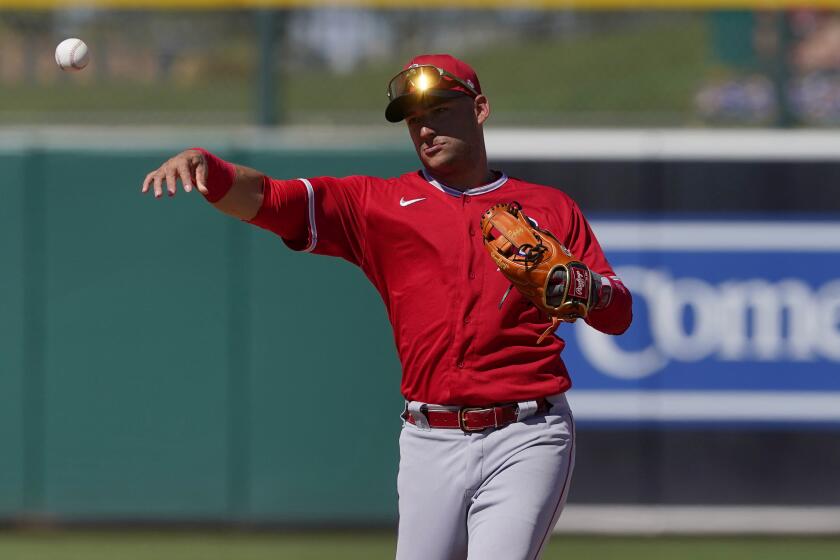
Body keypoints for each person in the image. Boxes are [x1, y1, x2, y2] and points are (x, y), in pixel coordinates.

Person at [141, 53, 632, 560]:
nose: (424, 129)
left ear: (480, 108)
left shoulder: (549, 207)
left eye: (439, 110)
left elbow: (618, 315)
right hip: (428, 438)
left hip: (526, 434)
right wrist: (209, 168)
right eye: (414, 119)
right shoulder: (377, 206)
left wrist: (589, 289)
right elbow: (271, 199)